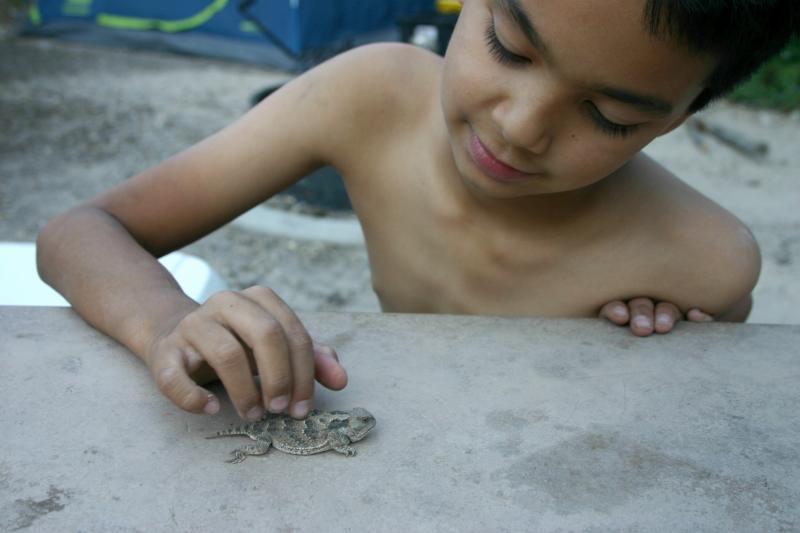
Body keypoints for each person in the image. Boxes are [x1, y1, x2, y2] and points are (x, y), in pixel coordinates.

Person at [37, 0, 798, 422]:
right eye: (509, 46)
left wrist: (658, 332)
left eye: (606, 116)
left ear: (681, 115)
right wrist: (164, 317)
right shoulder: (370, 95)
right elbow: (79, 231)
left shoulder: (705, 261)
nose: (519, 126)